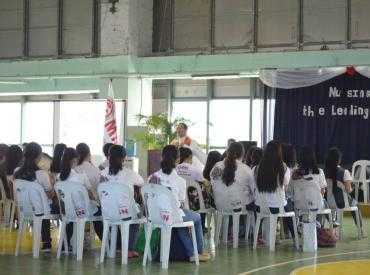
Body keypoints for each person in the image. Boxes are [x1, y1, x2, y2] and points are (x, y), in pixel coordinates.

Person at [149, 145, 210, 262]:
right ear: (177, 159)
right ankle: (198, 252)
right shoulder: (179, 181)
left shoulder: (152, 177)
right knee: (195, 217)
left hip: (154, 217)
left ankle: (193, 253)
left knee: (181, 217)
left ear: (162, 157)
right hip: (172, 216)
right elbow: (180, 205)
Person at [100, 145, 144, 257]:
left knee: (118, 218)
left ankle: (116, 247)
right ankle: (129, 249)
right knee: (138, 218)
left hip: (108, 213)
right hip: (126, 213)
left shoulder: (102, 173)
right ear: (124, 158)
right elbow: (141, 182)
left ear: (109, 157)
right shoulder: (129, 173)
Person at [14, 142, 57, 251]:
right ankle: (50, 243)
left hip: (25, 210)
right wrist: (53, 187)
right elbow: (49, 194)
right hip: (42, 210)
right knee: (56, 207)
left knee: (41, 205)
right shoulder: (41, 173)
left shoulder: (17, 173)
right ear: (39, 156)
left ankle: (47, 242)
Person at [57, 147, 103, 246]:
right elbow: (91, 195)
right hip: (83, 211)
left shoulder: (59, 177)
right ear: (75, 160)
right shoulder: (81, 177)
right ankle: (105, 242)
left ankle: (67, 244)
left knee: (71, 213)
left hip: (67, 211)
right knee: (99, 211)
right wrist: (97, 201)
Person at [254, 140, 295, 239]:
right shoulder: (284, 167)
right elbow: (285, 184)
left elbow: (255, 184)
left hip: (260, 206)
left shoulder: (257, 168)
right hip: (276, 207)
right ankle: (295, 236)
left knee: (282, 203)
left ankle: (259, 235)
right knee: (289, 205)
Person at [324, 147, 363, 230]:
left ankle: (325, 225)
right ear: (339, 160)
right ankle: (360, 229)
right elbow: (349, 190)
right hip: (341, 203)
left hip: (328, 203)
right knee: (356, 204)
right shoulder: (344, 172)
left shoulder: (323, 172)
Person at [288, 146, 327, 212]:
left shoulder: (294, 173)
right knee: (323, 203)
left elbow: (290, 190)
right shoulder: (319, 172)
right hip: (316, 205)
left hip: (299, 206)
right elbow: (322, 191)